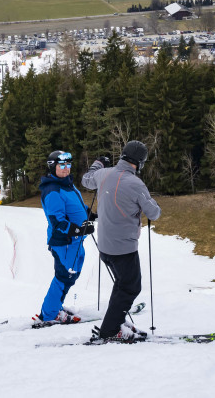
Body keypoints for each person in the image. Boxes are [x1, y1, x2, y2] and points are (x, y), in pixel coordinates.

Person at [82, 140, 161, 344]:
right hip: (124, 248)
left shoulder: (103, 174)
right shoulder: (136, 184)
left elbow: (86, 180)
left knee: (122, 286)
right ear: (140, 162)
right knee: (130, 288)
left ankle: (116, 322)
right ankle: (110, 330)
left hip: (105, 247)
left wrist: (98, 164)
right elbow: (154, 213)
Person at [34, 151, 93, 327]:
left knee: (70, 276)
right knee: (63, 277)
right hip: (64, 243)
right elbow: (57, 221)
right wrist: (78, 229)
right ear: (53, 167)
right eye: (62, 166)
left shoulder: (67, 185)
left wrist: (89, 214)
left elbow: (77, 205)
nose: (66, 169)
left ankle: (55, 308)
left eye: (69, 165)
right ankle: (49, 315)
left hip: (75, 241)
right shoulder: (52, 190)